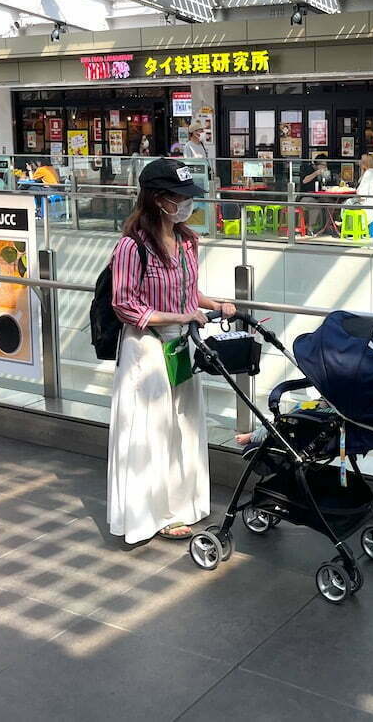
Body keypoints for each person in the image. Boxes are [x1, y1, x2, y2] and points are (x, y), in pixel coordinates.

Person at [107, 158, 236, 544]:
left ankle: (181, 504)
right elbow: (125, 304)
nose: (186, 205)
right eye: (179, 197)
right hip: (146, 347)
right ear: (158, 199)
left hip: (181, 343)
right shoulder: (132, 246)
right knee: (151, 430)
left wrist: (214, 305)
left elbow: (188, 292)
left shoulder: (187, 241)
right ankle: (151, 514)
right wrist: (179, 316)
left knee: (183, 425)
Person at [297, 154, 334, 233]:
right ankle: (310, 228)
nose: (325, 167)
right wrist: (316, 173)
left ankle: (328, 226)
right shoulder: (308, 168)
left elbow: (325, 185)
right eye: (323, 165)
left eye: (326, 165)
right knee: (315, 205)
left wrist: (327, 177)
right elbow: (304, 180)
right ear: (317, 164)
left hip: (318, 196)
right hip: (305, 196)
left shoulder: (322, 173)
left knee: (330, 203)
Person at [353, 153, 373, 233]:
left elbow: (361, 194)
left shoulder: (368, 174)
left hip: (367, 205)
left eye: (361, 162)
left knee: (346, 203)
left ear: (364, 164)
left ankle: (344, 224)